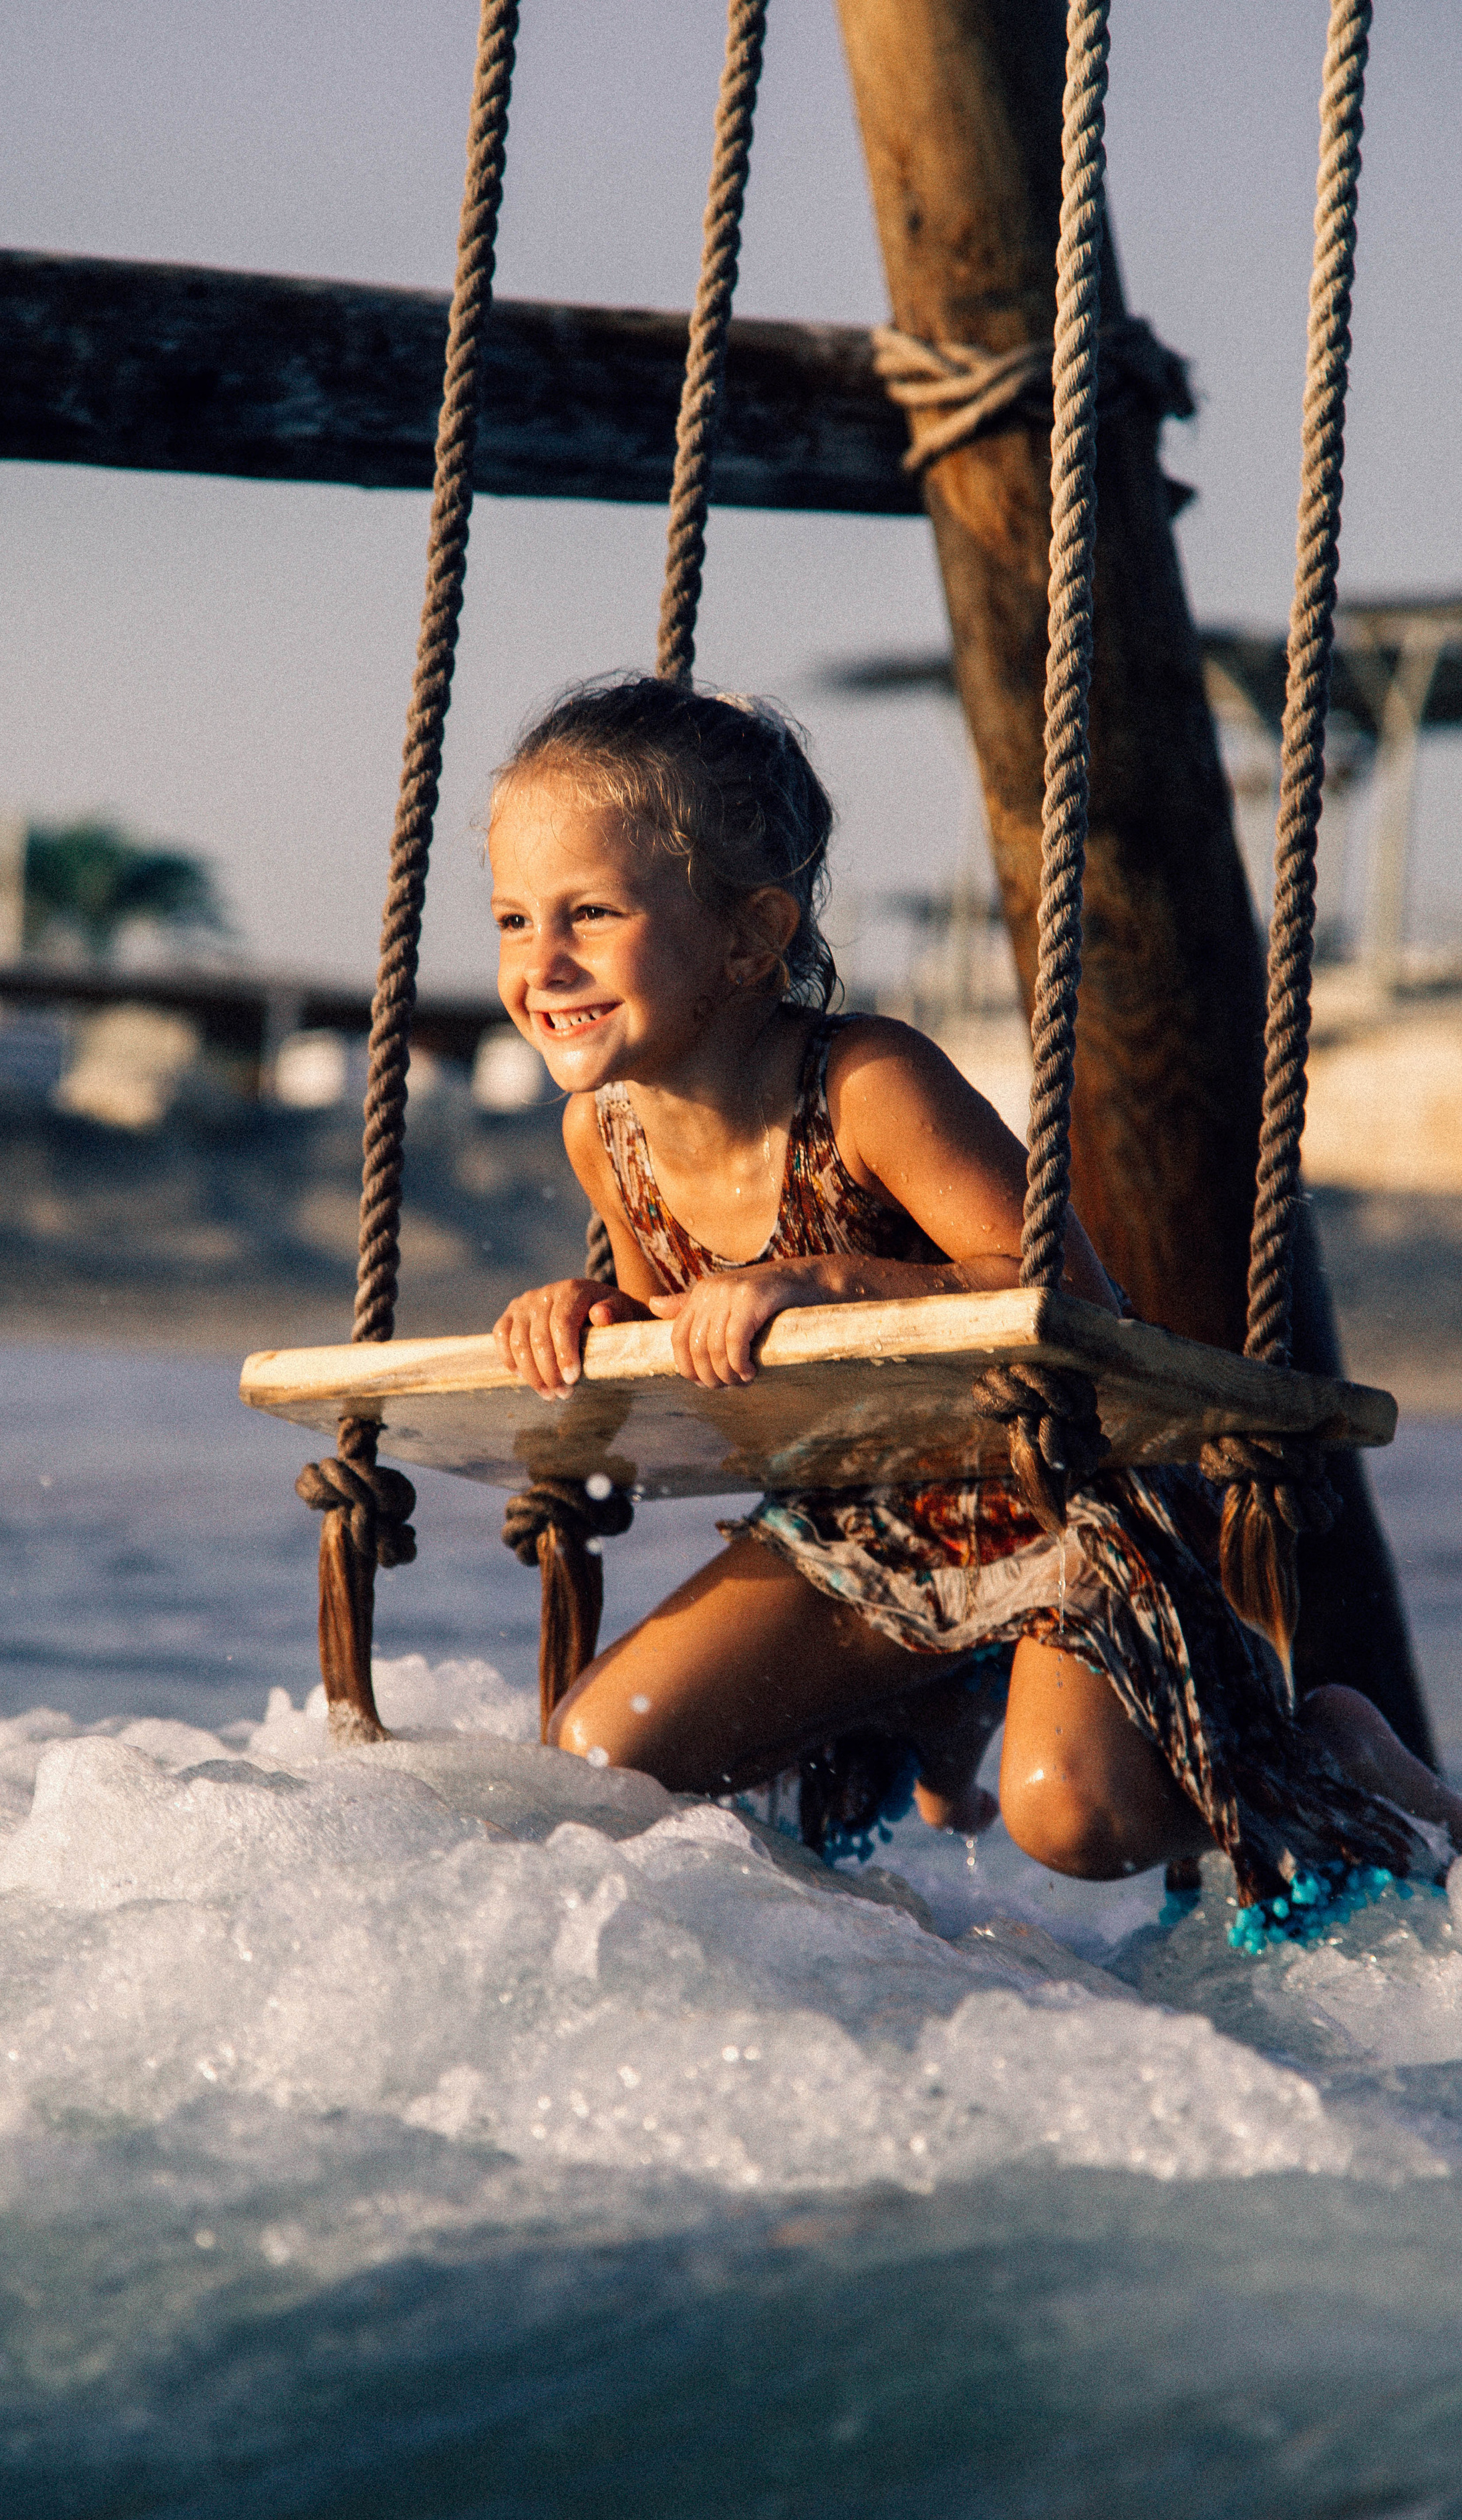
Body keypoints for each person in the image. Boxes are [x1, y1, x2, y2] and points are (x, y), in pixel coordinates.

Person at [488, 674, 1460, 1917]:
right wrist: (587, 1318)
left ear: (751, 936)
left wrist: (834, 1279)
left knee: (1080, 1821)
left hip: (1056, 1507)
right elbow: (678, 1346)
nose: (541, 962)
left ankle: (1325, 1750)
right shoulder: (602, 1136)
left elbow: (1072, 1303)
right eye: (514, 920)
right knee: (602, 1764)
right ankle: (928, 1705)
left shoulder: (866, 1085)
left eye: (592, 913)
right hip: (866, 1524)